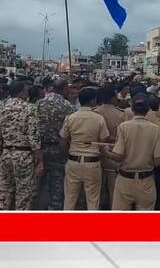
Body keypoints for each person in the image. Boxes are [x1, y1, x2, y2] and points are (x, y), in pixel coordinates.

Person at [102, 93, 160, 211]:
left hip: (125, 179)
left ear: (132, 109)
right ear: (148, 110)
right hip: (146, 181)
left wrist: (107, 152)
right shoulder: (156, 130)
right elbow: (158, 161)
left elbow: (118, 156)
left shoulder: (123, 127)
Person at [60, 86, 110, 210]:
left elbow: (63, 140)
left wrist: (67, 154)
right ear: (93, 101)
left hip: (73, 161)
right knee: (93, 200)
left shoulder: (70, 117)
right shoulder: (99, 118)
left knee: (70, 198)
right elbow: (103, 141)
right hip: (92, 163)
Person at [0, 81, 43, 210]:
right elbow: (34, 137)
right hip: (23, 156)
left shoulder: (3, 108)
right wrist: (40, 160)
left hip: (6, 154)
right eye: (25, 91)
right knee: (23, 195)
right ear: (21, 92)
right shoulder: (30, 108)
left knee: (4, 193)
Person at [34, 78, 75, 210]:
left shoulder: (40, 103)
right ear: (64, 89)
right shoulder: (68, 106)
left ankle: (35, 210)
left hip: (40, 148)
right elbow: (70, 130)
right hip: (59, 149)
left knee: (37, 183)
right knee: (57, 186)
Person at [94, 85, 126, 210]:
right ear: (113, 98)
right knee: (114, 196)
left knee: (97, 196)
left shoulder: (95, 113)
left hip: (97, 157)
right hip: (114, 158)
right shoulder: (121, 114)